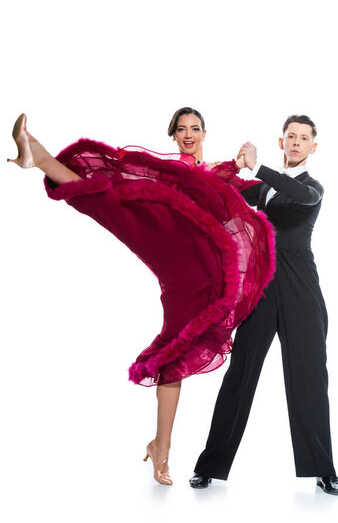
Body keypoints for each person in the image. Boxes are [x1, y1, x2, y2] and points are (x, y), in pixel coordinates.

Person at [7, 108, 275, 486]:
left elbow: (233, 199)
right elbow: (184, 181)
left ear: (204, 133)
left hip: (201, 274)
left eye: (194, 129)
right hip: (164, 239)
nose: (188, 134)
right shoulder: (175, 170)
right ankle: (37, 155)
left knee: (176, 354)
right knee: (109, 198)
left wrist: (242, 164)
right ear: (173, 135)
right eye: (181, 129)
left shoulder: (213, 169)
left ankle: (160, 446)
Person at [189, 115, 338, 496]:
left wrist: (257, 166)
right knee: (240, 374)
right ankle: (210, 467)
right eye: (291, 136)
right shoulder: (266, 190)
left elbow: (295, 191)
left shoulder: (312, 188)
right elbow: (234, 190)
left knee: (309, 377)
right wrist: (213, 169)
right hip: (263, 285)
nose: (296, 142)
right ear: (282, 140)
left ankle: (325, 469)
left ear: (312, 147)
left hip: (301, 289)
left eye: (303, 138)